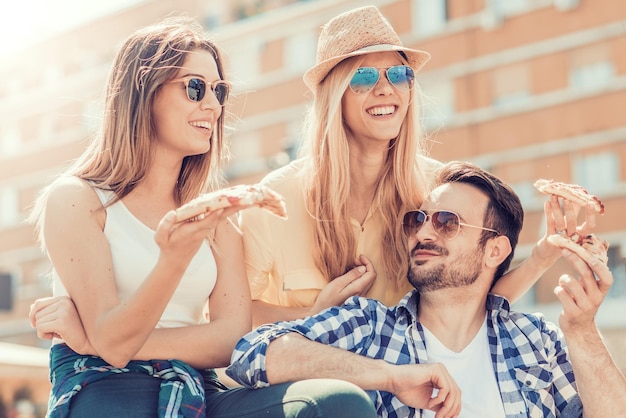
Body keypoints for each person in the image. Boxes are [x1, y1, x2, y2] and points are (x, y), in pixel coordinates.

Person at [28, 17, 377, 418]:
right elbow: (114, 344)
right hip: (105, 384)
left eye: (219, 90)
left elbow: (230, 338)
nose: (212, 105)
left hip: (197, 388)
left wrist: (94, 338)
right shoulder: (76, 199)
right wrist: (171, 262)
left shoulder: (217, 218)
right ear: (143, 94)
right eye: (195, 88)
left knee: (337, 403)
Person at [240, 5, 596, 327]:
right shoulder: (275, 201)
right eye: (364, 78)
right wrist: (317, 314)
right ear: (334, 96)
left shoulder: (438, 192)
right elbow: (232, 316)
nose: (385, 89)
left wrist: (541, 257)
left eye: (398, 75)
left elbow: (470, 300)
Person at [227, 160, 626, 417]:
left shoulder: (536, 340)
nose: (424, 232)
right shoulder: (369, 327)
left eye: (447, 222)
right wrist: (388, 377)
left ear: (494, 251)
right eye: (418, 220)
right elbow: (252, 354)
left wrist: (582, 330)